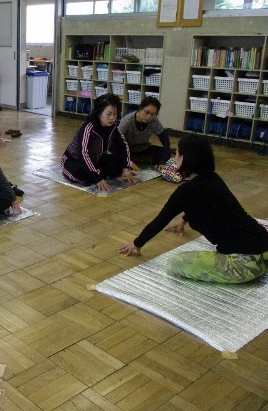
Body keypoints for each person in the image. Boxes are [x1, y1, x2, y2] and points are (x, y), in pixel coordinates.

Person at [119, 135, 268, 283]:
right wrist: (184, 219)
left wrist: (137, 243)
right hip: (264, 246)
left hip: (245, 265)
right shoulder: (213, 178)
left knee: (175, 263)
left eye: (177, 153)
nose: (175, 157)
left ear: (186, 158)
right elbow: (210, 206)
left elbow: (160, 221)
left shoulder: (185, 191)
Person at [60, 93, 137, 192]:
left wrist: (126, 168)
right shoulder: (88, 128)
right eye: (108, 114)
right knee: (81, 174)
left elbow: (123, 146)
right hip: (75, 160)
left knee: (118, 162)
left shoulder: (113, 127)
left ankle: (97, 173)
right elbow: (83, 154)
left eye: (115, 114)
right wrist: (97, 178)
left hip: (97, 159)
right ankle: (96, 174)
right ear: (99, 113)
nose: (112, 118)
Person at [117, 96, 171, 171]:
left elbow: (165, 140)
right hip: (128, 150)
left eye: (153, 114)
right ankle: (134, 160)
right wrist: (128, 161)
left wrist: (163, 161)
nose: (149, 117)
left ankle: (138, 160)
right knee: (115, 157)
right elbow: (117, 143)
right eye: (146, 112)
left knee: (164, 153)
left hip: (143, 148)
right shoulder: (126, 121)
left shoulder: (154, 121)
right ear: (140, 109)